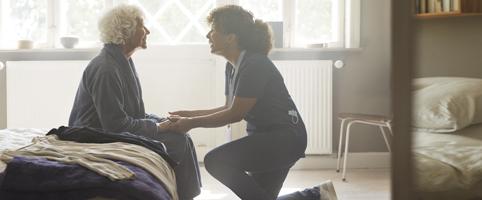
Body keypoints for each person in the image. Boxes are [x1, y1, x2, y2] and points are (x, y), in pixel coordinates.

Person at [167, 5, 337, 200]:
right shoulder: (232, 67)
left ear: (231, 37)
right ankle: (318, 195)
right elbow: (229, 107)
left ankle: (314, 196)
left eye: (213, 30)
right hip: (270, 137)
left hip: (283, 139)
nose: (208, 35)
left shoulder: (255, 64)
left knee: (215, 161)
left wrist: (190, 124)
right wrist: (188, 115)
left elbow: (235, 115)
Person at [68, 5, 201, 200]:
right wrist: (159, 128)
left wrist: (164, 122)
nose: (148, 31)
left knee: (181, 134)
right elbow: (115, 125)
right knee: (177, 141)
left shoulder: (123, 60)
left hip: (111, 128)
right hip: (94, 135)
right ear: (125, 30)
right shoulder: (106, 69)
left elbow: (134, 114)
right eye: (142, 25)